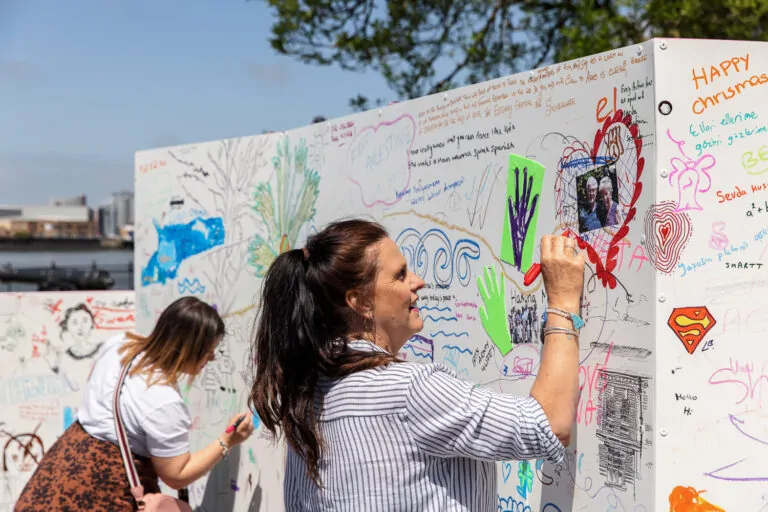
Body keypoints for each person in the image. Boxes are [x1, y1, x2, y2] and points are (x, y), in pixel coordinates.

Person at [250, 219, 584, 511]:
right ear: (360, 301)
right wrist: (564, 300)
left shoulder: (304, 398)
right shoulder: (410, 390)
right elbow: (548, 426)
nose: (418, 281)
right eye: (400, 275)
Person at [15, 296, 255, 511]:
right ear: (189, 349)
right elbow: (177, 475)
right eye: (208, 351)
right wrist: (228, 440)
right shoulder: (162, 400)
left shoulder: (120, 344)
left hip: (60, 468)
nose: (211, 358)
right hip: (102, 490)